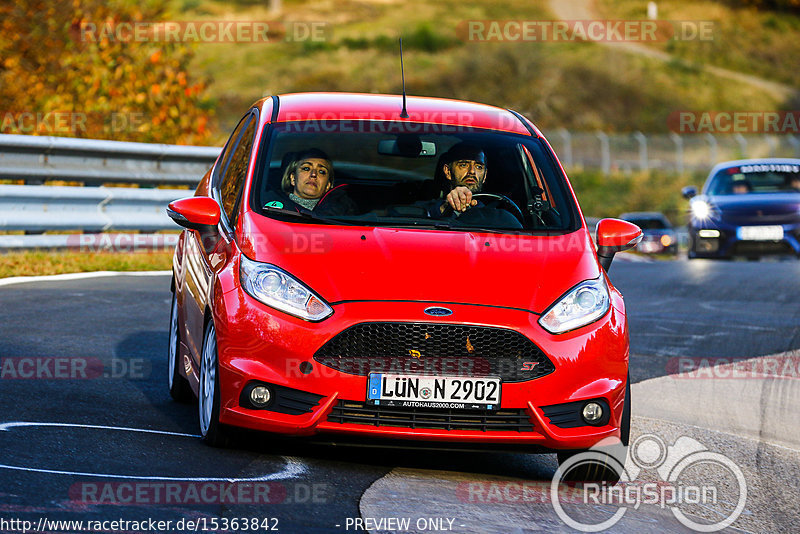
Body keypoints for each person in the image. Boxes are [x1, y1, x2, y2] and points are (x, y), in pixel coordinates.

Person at [263, 148, 356, 215]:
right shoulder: (265, 206)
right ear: (293, 178)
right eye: (306, 168)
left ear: (328, 185)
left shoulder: (342, 213)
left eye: (321, 171)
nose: (314, 174)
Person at [418, 143, 488, 217]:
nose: (472, 171)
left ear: (485, 175)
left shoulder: (493, 214)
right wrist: (445, 208)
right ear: (447, 171)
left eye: (479, 167)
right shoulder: (424, 209)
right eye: (463, 165)